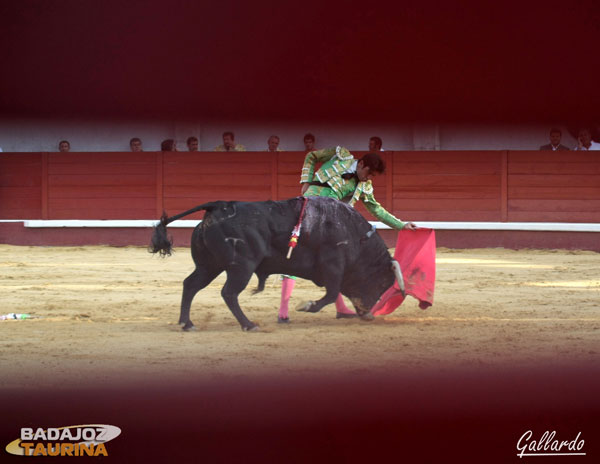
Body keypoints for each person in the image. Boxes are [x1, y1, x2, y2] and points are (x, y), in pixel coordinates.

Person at [278, 146, 417, 323]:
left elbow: (377, 210)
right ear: (361, 164)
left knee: (337, 262)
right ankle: (283, 311)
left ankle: (341, 308)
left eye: (373, 176)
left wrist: (402, 225)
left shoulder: (365, 186)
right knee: (294, 255)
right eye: (369, 173)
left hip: (329, 225)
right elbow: (311, 156)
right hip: (307, 212)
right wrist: (305, 180)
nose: (369, 178)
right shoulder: (340, 155)